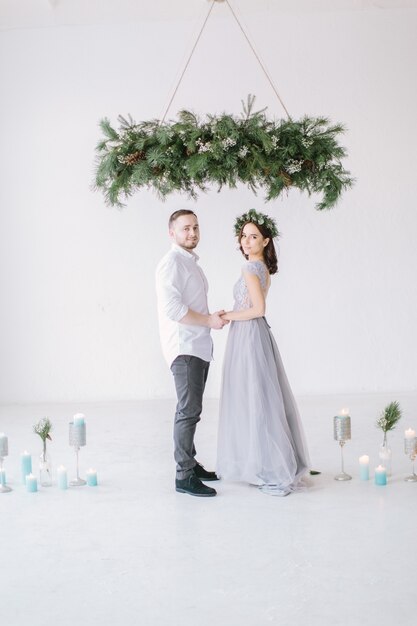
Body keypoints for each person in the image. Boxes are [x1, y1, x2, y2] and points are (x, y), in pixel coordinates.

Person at [216, 209, 310, 496]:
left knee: (255, 398)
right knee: (259, 397)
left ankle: (267, 465)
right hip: (251, 334)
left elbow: (258, 309)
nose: (246, 241)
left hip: (248, 334)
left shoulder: (251, 268)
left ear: (266, 241)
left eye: (253, 236)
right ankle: (264, 460)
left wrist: (227, 314)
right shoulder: (260, 268)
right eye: (243, 236)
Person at [155, 209, 228, 497]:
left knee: (193, 411)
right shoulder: (171, 263)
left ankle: (191, 463)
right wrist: (209, 320)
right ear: (171, 233)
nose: (192, 233)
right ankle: (183, 476)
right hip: (184, 347)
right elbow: (172, 309)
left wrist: (210, 319)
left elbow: (191, 303)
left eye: (196, 227)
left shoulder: (190, 263)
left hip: (197, 345)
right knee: (188, 411)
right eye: (185, 228)